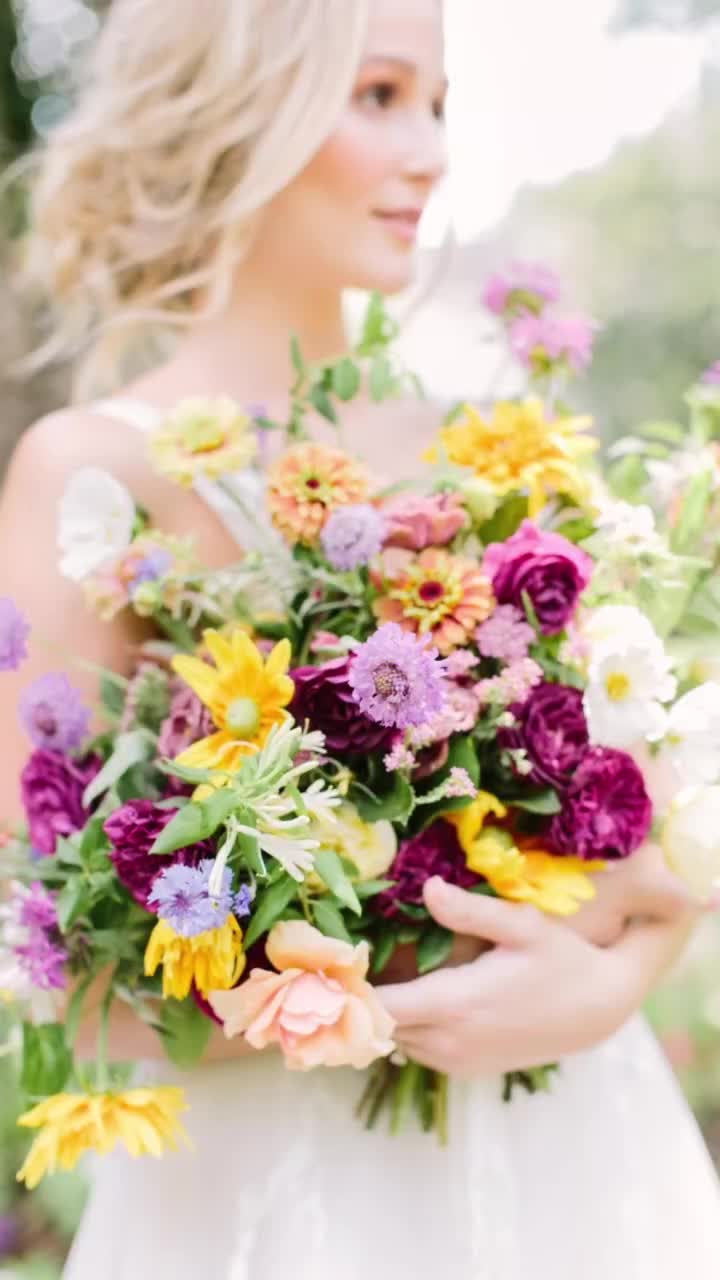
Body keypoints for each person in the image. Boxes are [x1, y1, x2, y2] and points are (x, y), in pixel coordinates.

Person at [1, 0, 719, 1275]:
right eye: (381, 95)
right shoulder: (93, 477)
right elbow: (58, 963)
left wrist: (610, 985)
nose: (432, 148)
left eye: (437, 102)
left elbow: (660, 829)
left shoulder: (495, 458)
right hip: (271, 1203)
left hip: (575, 1153)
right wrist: (396, 1006)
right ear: (241, 107)